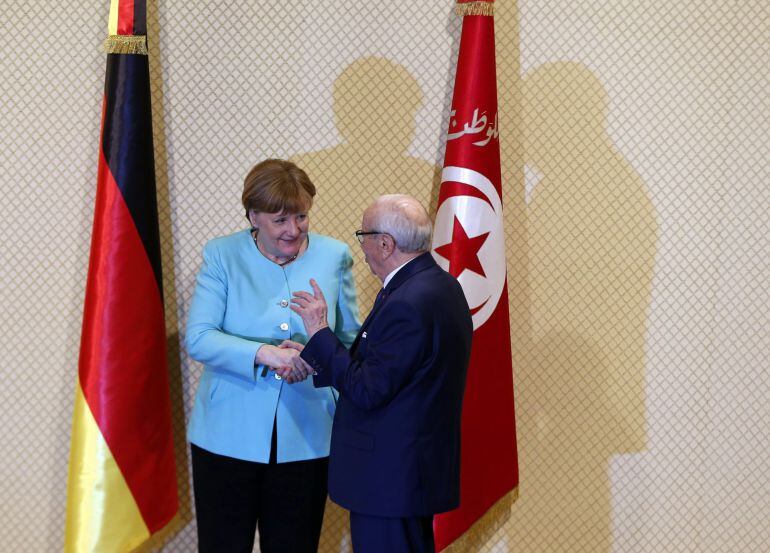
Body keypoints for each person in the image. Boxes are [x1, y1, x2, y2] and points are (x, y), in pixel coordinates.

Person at [185, 159, 360, 552]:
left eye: (301, 216)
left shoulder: (335, 256)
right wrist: (265, 353)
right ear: (253, 216)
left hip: (308, 432)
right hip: (226, 435)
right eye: (280, 220)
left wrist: (315, 357)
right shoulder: (222, 255)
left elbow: (351, 341)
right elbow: (199, 338)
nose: (293, 230)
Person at [285, 194, 472, 553]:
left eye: (363, 235)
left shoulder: (407, 302)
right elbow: (394, 370)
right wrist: (315, 354)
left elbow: (369, 388)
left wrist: (319, 331)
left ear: (385, 244)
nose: (363, 247)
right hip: (408, 472)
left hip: (390, 477)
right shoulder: (440, 286)